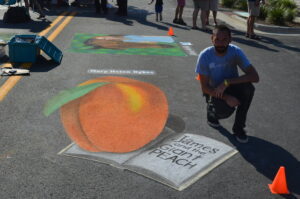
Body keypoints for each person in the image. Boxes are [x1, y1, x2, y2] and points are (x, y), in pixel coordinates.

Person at [195, 25, 259, 143]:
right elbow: (205, 88)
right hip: (213, 91)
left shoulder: (235, 51)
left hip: (230, 86)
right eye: (217, 39)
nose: (220, 43)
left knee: (249, 89)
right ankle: (212, 111)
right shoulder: (205, 56)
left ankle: (239, 128)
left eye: (224, 39)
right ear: (212, 39)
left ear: (230, 40)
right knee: (225, 111)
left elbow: (254, 77)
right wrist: (226, 97)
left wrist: (227, 82)